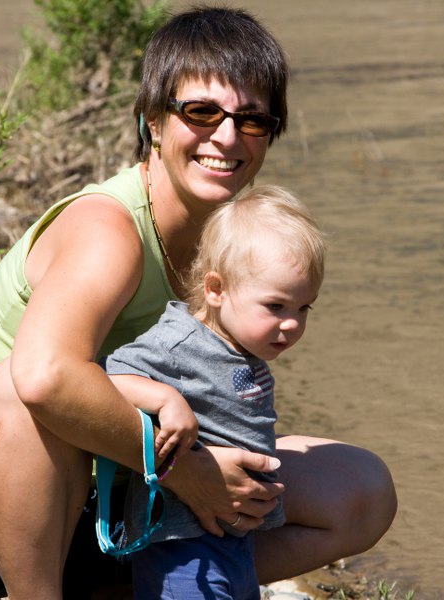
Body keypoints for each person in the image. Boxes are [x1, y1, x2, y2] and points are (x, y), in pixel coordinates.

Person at [0, 7, 396, 600]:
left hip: (106, 494)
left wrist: (216, 470)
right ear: (153, 119)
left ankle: (165, 584)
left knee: (359, 488)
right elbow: (43, 379)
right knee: (35, 393)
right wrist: (194, 473)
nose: (226, 137)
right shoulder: (110, 230)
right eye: (201, 112)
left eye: (251, 120)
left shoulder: (231, 244)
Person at [105, 185, 324, 599]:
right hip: (181, 547)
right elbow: (103, 380)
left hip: (232, 540)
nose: (292, 323)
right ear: (216, 289)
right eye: (276, 306)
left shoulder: (243, 346)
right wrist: (164, 399)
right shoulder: (181, 342)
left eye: (304, 308)